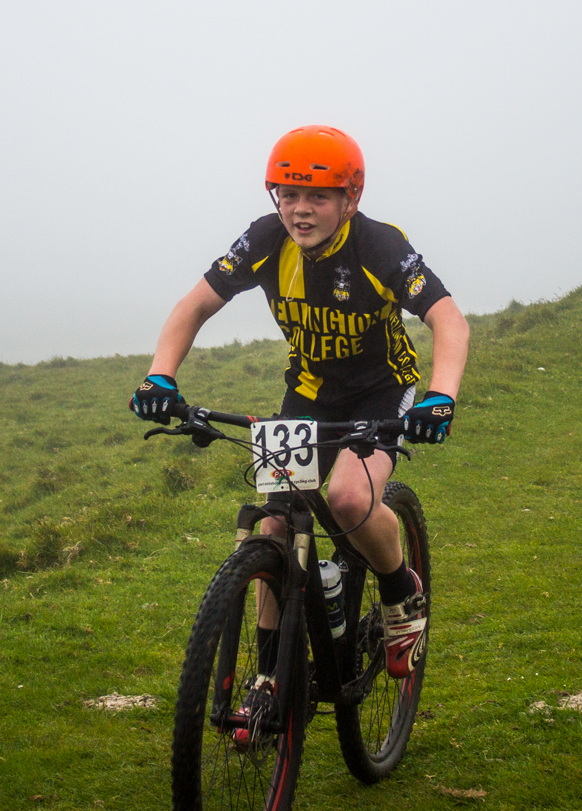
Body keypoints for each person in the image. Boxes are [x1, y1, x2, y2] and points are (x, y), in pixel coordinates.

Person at [130, 125, 469, 725]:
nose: (299, 210)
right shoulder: (266, 240)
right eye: (287, 194)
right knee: (274, 523)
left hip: (381, 392)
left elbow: (448, 319)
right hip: (308, 395)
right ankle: (269, 678)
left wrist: (439, 398)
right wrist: (160, 377)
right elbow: (195, 305)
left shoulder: (380, 246)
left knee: (347, 498)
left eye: (317, 196)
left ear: (350, 198)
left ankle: (400, 591)